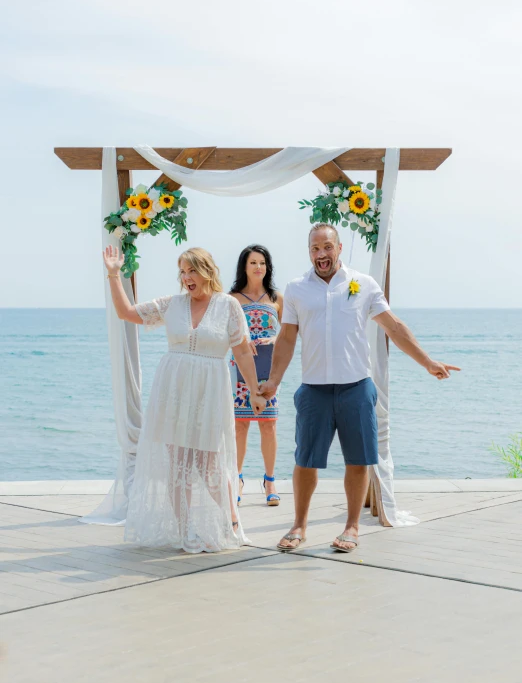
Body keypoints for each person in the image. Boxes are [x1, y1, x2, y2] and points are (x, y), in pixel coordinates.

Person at [260, 223, 460, 553]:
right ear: (309, 251)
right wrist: (273, 381)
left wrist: (427, 362)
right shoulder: (296, 289)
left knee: (358, 460)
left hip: (357, 387)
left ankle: (352, 527)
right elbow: (286, 338)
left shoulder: (363, 285)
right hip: (314, 390)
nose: (320, 254)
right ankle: (299, 525)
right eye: (314, 248)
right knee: (305, 461)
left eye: (326, 247)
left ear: (339, 248)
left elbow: (393, 327)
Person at [102, 244, 266, 553]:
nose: (186, 277)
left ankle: (231, 522)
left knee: (210, 464)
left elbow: (242, 350)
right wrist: (113, 275)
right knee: (177, 462)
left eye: (192, 270)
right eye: (182, 271)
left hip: (210, 391)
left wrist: (255, 390)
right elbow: (126, 313)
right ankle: (185, 530)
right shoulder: (171, 304)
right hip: (174, 391)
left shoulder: (227, 305)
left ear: (207, 271)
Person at [229, 245, 284, 506]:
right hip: (239, 370)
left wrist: (276, 337)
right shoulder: (231, 299)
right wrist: (241, 340)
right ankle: (237, 479)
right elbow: (222, 333)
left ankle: (270, 480)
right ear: (244, 266)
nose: (258, 267)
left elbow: (292, 332)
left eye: (262, 262)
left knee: (268, 425)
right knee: (240, 426)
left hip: (268, 370)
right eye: (253, 262)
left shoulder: (277, 298)